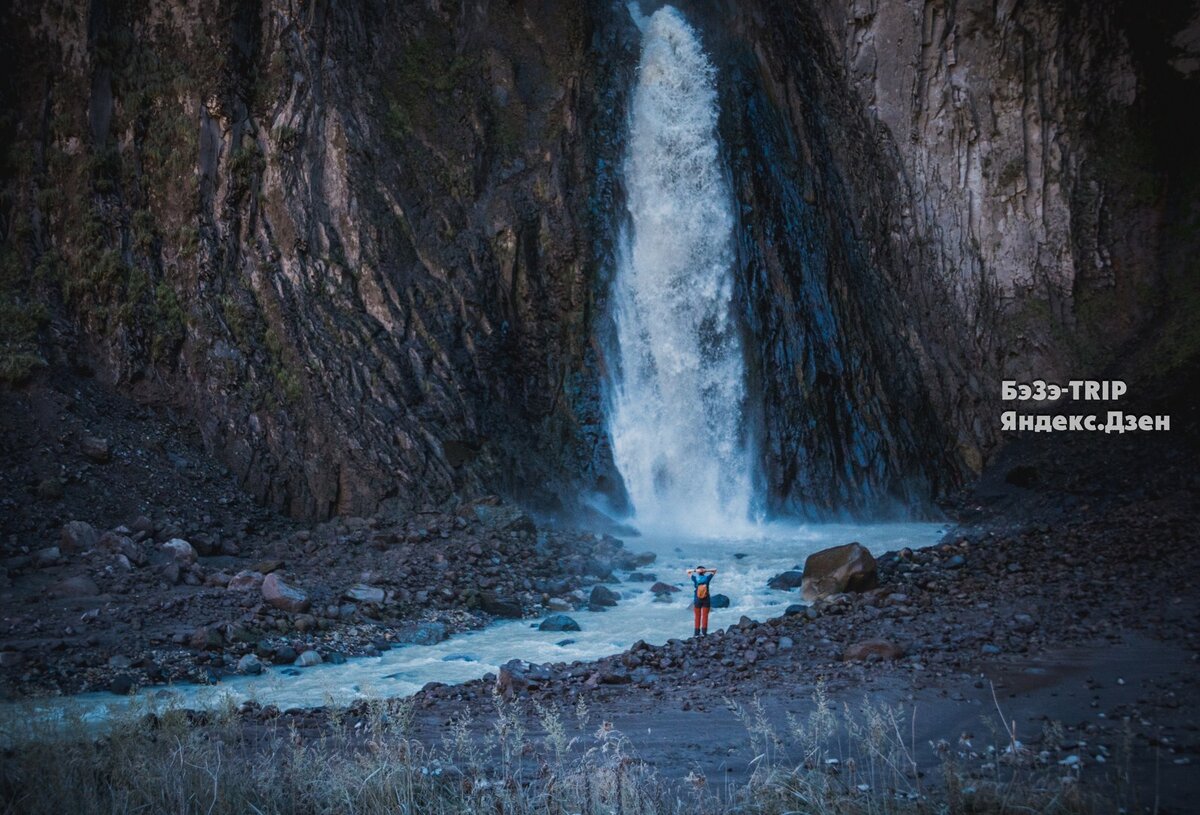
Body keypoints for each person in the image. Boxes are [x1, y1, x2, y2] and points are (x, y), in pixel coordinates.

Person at [686, 565, 717, 636]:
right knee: (705, 616)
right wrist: (706, 570)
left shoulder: (695, 578)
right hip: (706, 600)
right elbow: (715, 570)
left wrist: (695, 570)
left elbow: (687, 571)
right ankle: (704, 632)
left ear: (698, 572)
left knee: (697, 616)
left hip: (697, 600)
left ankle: (696, 633)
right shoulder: (707, 578)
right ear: (704, 572)